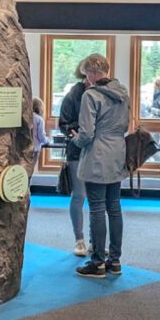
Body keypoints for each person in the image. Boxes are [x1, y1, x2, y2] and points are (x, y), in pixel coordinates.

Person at [71, 53, 129, 278]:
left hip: (97, 154)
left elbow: (86, 133)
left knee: (96, 208)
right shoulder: (123, 93)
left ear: (93, 73)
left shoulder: (91, 95)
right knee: (114, 207)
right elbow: (124, 126)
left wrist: (75, 139)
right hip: (117, 152)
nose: (86, 79)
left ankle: (97, 263)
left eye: (87, 75)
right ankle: (115, 261)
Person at [57, 62, 90, 256]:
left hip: (98, 151)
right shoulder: (72, 95)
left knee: (96, 198)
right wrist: (78, 133)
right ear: (84, 72)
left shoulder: (104, 93)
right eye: (91, 71)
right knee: (79, 195)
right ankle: (79, 239)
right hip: (76, 150)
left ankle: (95, 239)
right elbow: (64, 123)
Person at [31, 97, 50, 170]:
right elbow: (41, 137)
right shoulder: (39, 119)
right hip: (34, 149)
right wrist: (48, 140)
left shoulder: (26, 117)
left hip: (24, 149)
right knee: (30, 171)